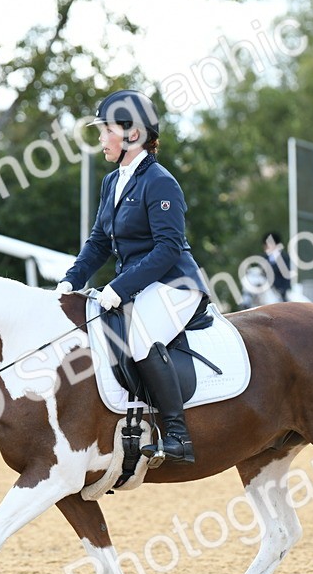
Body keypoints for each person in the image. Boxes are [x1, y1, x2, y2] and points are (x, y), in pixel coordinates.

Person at [56, 89, 209, 464]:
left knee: (140, 339)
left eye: (105, 130)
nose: (99, 138)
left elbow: (168, 248)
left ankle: (177, 435)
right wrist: (70, 282)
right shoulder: (113, 182)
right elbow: (98, 243)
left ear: (132, 134)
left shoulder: (160, 182)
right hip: (140, 284)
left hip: (175, 284)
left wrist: (119, 287)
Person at [263, 232, 293, 302]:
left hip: (281, 290)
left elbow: (287, 275)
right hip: (267, 290)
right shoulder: (264, 258)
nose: (264, 247)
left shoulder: (285, 257)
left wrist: (283, 290)